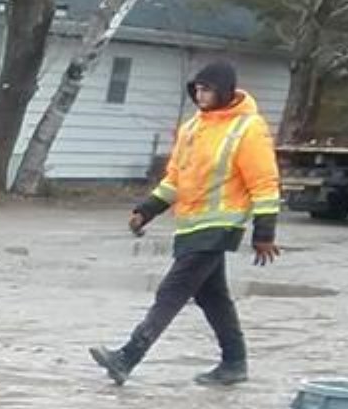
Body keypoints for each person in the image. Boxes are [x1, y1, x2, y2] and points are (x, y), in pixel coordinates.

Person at [90, 58, 281, 388]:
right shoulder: (192, 128)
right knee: (213, 297)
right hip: (190, 225)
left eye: (208, 89)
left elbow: (264, 183)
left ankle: (127, 357)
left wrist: (263, 233)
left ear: (226, 91)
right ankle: (234, 363)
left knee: (171, 291)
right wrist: (147, 209)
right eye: (198, 89)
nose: (201, 95)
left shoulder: (248, 128)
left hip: (219, 227)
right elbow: (176, 178)